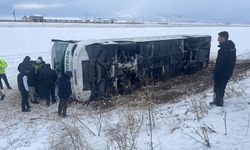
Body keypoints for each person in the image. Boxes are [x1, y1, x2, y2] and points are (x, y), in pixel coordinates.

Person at [211, 31, 236, 107]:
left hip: (223, 72)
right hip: (229, 71)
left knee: (218, 87)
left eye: (219, 38)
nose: (218, 39)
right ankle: (218, 101)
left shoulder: (224, 49)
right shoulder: (231, 46)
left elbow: (220, 63)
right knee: (221, 87)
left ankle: (219, 104)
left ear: (223, 38)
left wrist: (214, 72)